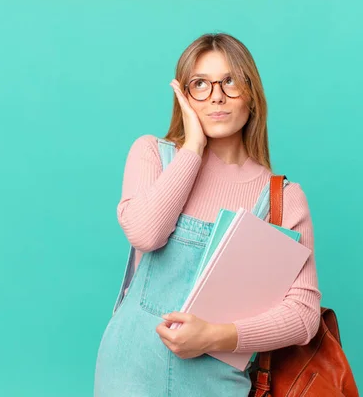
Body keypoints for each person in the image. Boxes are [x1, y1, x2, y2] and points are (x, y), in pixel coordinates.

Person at [94, 32, 321, 396]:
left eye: (229, 81)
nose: (216, 95)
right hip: (128, 372)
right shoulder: (153, 154)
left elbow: (304, 313)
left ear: (252, 94)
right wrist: (194, 148)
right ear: (184, 96)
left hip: (214, 382)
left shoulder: (282, 199)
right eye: (200, 84)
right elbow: (145, 234)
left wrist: (215, 336)